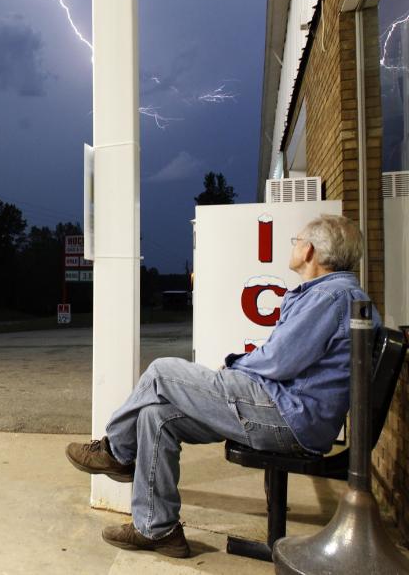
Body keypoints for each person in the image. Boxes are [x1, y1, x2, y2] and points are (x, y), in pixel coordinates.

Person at [65, 214, 380, 558]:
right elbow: (286, 361)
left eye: (296, 241)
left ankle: (116, 452)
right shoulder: (333, 294)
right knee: (155, 415)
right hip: (286, 410)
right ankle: (158, 529)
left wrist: (233, 366)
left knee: (161, 372)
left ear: (310, 251)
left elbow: (279, 360)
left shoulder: (331, 298)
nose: (293, 245)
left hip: (289, 418)